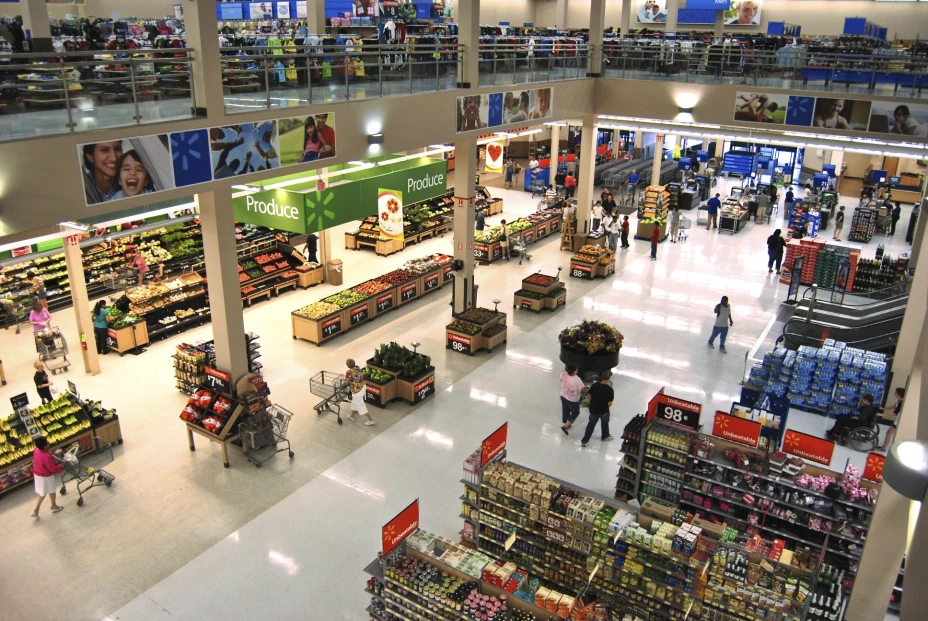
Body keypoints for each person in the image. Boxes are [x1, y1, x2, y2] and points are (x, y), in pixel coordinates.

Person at [30, 436, 63, 518]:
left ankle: (51, 505)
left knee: (47, 491)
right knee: (47, 491)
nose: (49, 443)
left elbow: (49, 454)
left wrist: (57, 459)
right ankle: (38, 509)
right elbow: (52, 468)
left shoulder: (37, 449)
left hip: (37, 473)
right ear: (44, 446)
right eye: (47, 442)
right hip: (46, 475)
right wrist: (60, 466)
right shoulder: (46, 456)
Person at [581, 371, 615, 447]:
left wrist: (593, 401)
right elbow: (609, 403)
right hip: (603, 411)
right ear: (608, 379)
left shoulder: (595, 385)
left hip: (593, 409)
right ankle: (604, 436)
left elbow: (589, 394)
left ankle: (584, 441)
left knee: (591, 424)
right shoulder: (609, 390)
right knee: (605, 423)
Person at [345, 359, 375, 425]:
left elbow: (346, 382)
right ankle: (351, 416)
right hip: (363, 387)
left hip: (357, 392)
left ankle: (371, 420)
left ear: (347, 366)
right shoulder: (357, 367)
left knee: (361, 406)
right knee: (354, 403)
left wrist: (345, 380)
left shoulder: (349, 372)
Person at [559, 363, 587, 435]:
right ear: (574, 371)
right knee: (575, 412)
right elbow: (583, 389)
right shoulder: (577, 379)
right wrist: (588, 392)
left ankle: (565, 421)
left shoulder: (563, 374)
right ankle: (566, 426)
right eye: (576, 369)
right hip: (572, 400)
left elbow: (561, 380)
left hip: (563, 395)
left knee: (566, 409)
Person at [880, 387, 905, 452]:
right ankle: (883, 447)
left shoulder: (902, 402)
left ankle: (884, 448)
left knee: (889, 433)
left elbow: (894, 413)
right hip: (897, 420)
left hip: (899, 421)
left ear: (899, 395)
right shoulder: (899, 400)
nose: (894, 393)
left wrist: (882, 415)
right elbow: (894, 406)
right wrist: (884, 409)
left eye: (895, 393)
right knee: (889, 433)